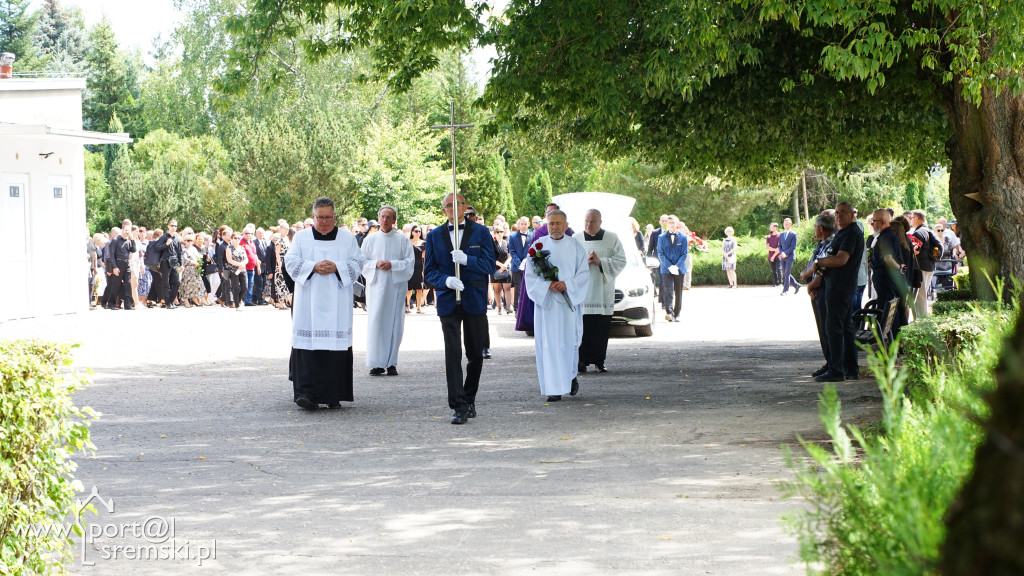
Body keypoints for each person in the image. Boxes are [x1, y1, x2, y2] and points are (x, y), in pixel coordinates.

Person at [287, 197, 367, 410]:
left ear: (334, 216)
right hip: (308, 301)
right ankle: (306, 393)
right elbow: (290, 262)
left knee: (335, 347)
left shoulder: (347, 238)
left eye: (328, 217)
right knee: (308, 345)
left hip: (337, 301)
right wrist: (313, 267)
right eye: (320, 218)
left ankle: (333, 394)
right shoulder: (301, 238)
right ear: (313, 217)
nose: (324, 222)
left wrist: (338, 267)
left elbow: (358, 262)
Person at [423, 193, 496, 425]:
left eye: (458, 204)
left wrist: (467, 260)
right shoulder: (434, 235)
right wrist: (445, 280)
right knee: (452, 354)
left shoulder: (481, 232)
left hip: (473, 299)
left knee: (475, 353)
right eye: (448, 205)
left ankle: (469, 397)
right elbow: (429, 272)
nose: (454, 209)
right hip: (448, 301)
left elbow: (488, 264)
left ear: (465, 207)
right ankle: (458, 405)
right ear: (443, 210)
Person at [526, 210, 590, 401]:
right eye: (551, 223)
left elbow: (584, 274)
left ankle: (570, 377)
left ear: (566, 225)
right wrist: (548, 285)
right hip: (547, 306)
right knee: (549, 345)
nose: (554, 227)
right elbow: (530, 276)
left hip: (567, 305)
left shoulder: (575, 246)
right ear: (546, 224)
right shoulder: (538, 247)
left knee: (568, 343)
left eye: (558, 223)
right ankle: (553, 388)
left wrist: (567, 285)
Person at [809, 202, 864, 382]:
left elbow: (841, 259)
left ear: (852, 214)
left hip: (840, 287)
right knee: (845, 328)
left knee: (834, 329)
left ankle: (837, 370)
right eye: (837, 213)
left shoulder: (851, 233)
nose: (838, 216)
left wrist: (818, 263)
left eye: (843, 213)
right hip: (839, 286)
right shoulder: (845, 232)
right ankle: (849, 368)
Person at [361, 205, 415, 376]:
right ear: (378, 218)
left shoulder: (402, 240)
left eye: (388, 217)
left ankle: (391, 362)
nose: (385, 220)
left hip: (395, 286)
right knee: (376, 322)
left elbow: (409, 262)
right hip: (376, 286)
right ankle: (376, 363)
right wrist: (375, 264)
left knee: (394, 323)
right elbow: (361, 262)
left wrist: (393, 264)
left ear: (394, 220)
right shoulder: (369, 240)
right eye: (382, 216)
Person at [578, 209, 626, 374]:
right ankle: (581, 361)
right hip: (583, 292)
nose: (588, 225)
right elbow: (569, 263)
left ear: (600, 222)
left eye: (592, 221)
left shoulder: (612, 238)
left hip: (602, 291)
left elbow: (621, 260)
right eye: (586, 221)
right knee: (582, 329)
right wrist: (584, 262)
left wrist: (601, 262)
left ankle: (600, 361)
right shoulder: (576, 239)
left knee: (601, 328)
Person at [515, 203, 574, 333]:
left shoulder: (570, 234)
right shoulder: (539, 233)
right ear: (545, 216)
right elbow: (534, 257)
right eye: (549, 213)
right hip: (545, 282)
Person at [801, 213, 837, 377]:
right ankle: (829, 362)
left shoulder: (831, 244)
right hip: (818, 289)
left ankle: (832, 363)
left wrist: (812, 285)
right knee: (822, 328)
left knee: (826, 329)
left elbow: (822, 269)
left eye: (815, 227)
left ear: (821, 228)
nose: (814, 230)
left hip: (823, 290)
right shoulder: (823, 243)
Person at [656, 215, 688, 322]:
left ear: (677, 223)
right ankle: (669, 312)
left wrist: (677, 266)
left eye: (673, 222)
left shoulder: (683, 237)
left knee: (678, 292)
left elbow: (684, 254)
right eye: (669, 223)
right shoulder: (661, 237)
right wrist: (669, 266)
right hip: (666, 269)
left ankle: (677, 313)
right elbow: (660, 253)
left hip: (679, 268)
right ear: (667, 224)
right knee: (668, 290)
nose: (671, 224)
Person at [909, 209, 940, 317]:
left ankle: (921, 319)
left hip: (921, 267)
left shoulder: (918, 233)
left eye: (911, 218)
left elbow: (915, 250)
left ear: (917, 218)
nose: (910, 220)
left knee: (920, 296)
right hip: (930, 266)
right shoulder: (928, 230)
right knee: (923, 294)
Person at [105, 221, 137, 310]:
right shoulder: (115, 240)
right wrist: (115, 267)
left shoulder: (128, 240)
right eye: (126, 230)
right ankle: (111, 304)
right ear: (122, 230)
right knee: (115, 285)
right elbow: (111, 254)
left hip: (126, 264)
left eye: (129, 231)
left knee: (128, 284)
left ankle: (128, 305)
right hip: (118, 263)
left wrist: (132, 239)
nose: (127, 232)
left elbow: (133, 250)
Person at [153, 220, 183, 309]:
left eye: (175, 226)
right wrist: (166, 244)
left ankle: (170, 300)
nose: (174, 227)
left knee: (177, 282)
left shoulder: (177, 238)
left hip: (174, 262)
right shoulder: (164, 237)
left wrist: (181, 264)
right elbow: (156, 248)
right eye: (172, 225)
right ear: (168, 226)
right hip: (165, 262)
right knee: (165, 283)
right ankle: (168, 303)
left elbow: (180, 252)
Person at [508, 217, 531, 311]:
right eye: (522, 224)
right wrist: (520, 264)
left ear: (528, 224)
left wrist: (526, 262)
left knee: (528, 287)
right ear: (519, 224)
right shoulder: (512, 236)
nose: (523, 226)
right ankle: (517, 308)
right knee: (518, 287)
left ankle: (527, 307)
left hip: (528, 266)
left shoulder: (533, 235)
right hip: (516, 267)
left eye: (525, 224)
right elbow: (512, 251)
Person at [490, 225, 513, 314]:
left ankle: (508, 307)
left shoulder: (506, 243)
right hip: (495, 268)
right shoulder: (492, 244)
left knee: (507, 288)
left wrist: (504, 266)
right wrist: (500, 266)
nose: (500, 234)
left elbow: (510, 256)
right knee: (497, 289)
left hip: (506, 267)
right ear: (495, 233)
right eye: (498, 232)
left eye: (501, 232)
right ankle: (499, 308)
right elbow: (492, 258)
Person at [778, 217, 801, 294]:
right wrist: (782, 253)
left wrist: (786, 253)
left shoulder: (793, 234)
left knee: (787, 274)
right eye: (784, 224)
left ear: (790, 224)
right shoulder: (781, 234)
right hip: (782, 256)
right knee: (785, 273)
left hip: (790, 257)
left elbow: (793, 246)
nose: (785, 225)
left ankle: (785, 290)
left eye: (787, 224)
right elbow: (779, 246)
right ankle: (796, 285)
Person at [407, 224, 426, 313]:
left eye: (419, 231)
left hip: (419, 266)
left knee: (419, 288)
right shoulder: (408, 242)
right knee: (409, 288)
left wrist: (424, 269)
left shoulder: (423, 243)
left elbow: (424, 256)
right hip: (409, 266)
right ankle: (407, 306)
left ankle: (419, 308)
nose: (418, 233)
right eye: (416, 231)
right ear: (412, 232)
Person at [766, 222, 782, 287]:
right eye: (769, 227)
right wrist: (774, 249)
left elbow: (779, 248)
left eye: (771, 227)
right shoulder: (768, 237)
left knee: (779, 269)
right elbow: (767, 247)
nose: (770, 228)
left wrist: (773, 255)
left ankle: (780, 283)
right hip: (770, 257)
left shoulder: (780, 236)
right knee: (774, 271)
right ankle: (776, 283)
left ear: (775, 227)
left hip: (778, 256)